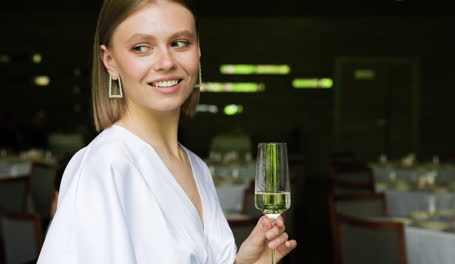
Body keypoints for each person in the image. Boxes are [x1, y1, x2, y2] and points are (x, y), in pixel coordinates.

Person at [37, 0, 296, 263]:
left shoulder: (197, 168)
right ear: (110, 61)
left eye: (179, 43)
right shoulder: (105, 166)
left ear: (198, 52)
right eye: (141, 48)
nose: (166, 62)